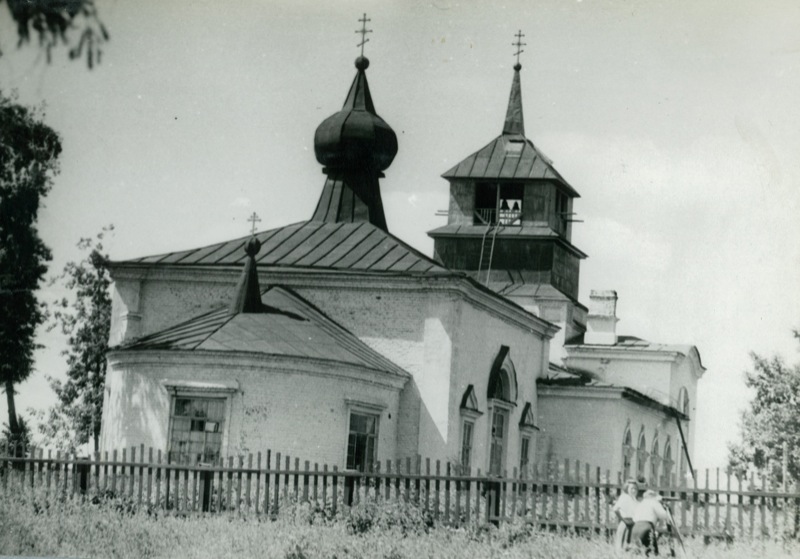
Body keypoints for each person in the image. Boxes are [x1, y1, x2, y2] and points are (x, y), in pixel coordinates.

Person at [630, 489, 670, 556]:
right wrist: (664, 507)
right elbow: (664, 516)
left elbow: (634, 518)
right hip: (646, 527)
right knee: (653, 552)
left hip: (635, 528)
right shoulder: (654, 502)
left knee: (637, 551)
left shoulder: (640, 504)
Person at [611, 478, 640, 550]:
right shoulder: (624, 497)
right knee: (621, 544)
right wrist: (622, 519)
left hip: (633, 524)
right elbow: (615, 509)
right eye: (631, 488)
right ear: (627, 488)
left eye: (635, 489)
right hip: (625, 523)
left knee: (629, 545)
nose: (633, 491)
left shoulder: (635, 500)